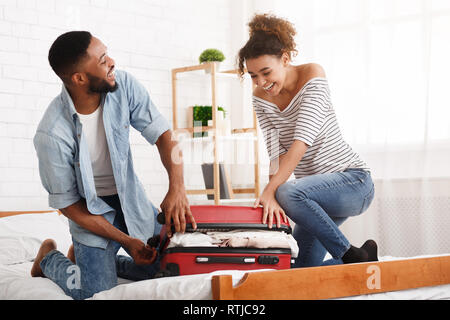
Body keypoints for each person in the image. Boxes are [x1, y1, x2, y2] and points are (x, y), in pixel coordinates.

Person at [31, 31, 196, 299]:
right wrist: (125, 241)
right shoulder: (51, 133)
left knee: (168, 268)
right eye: (103, 59)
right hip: (90, 211)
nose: (112, 62)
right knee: (93, 292)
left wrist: (177, 188)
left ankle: (93, 261)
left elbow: (166, 137)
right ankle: (49, 258)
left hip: (131, 200)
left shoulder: (124, 85)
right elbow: (69, 206)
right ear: (79, 78)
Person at [238, 14, 377, 267]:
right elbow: (275, 153)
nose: (260, 82)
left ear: (286, 59)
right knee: (299, 270)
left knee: (286, 191)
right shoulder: (259, 97)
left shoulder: (313, 75)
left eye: (266, 72)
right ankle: (364, 260)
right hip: (314, 196)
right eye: (253, 75)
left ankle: (348, 253)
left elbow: (301, 142)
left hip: (354, 182)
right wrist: (271, 199)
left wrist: (272, 192)